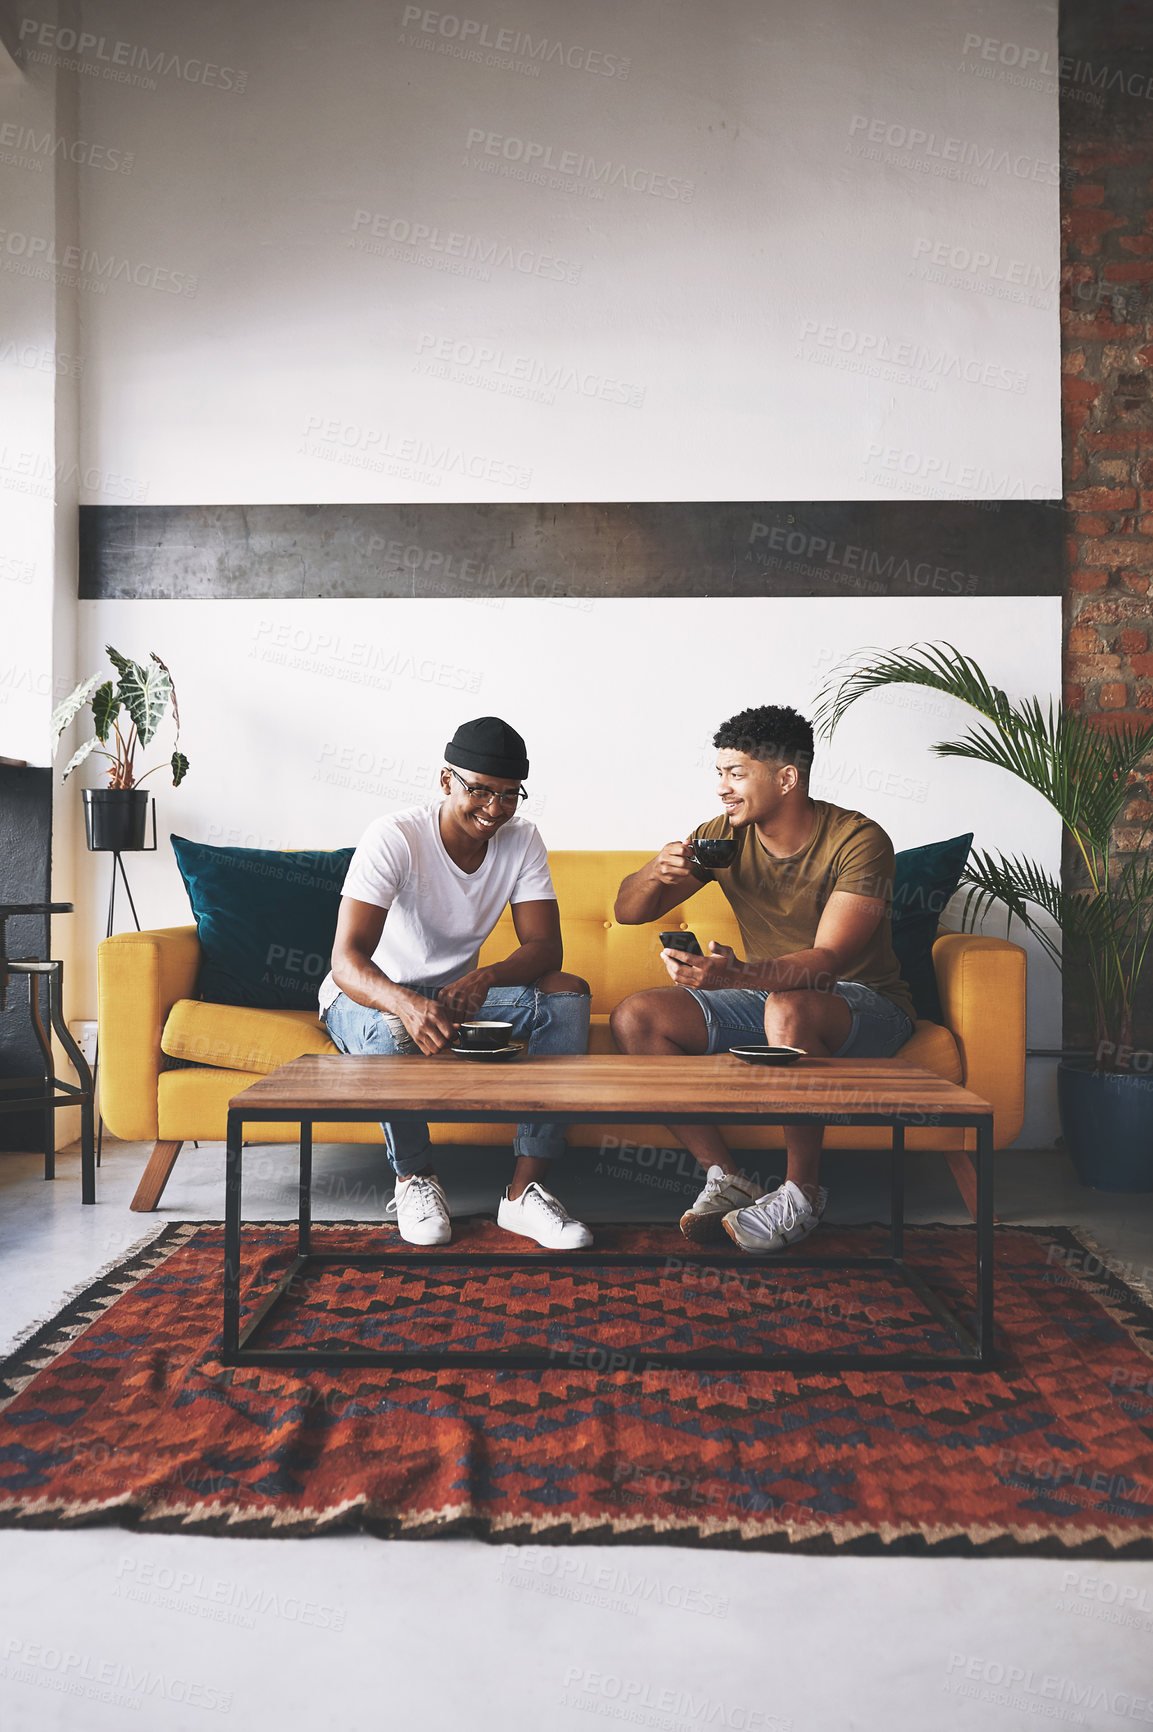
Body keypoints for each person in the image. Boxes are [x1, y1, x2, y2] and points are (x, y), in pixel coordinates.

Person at [610, 704, 915, 1254]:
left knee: (789, 1007)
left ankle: (801, 1193)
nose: (722, 789)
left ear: (786, 778)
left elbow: (830, 960)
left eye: (736, 773)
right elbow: (629, 912)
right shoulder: (723, 836)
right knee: (637, 1017)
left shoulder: (859, 840)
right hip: (770, 997)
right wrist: (655, 872)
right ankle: (728, 1178)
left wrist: (738, 976)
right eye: (719, 773)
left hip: (864, 1004)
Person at [319, 716, 593, 1250]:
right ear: (446, 781)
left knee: (567, 992)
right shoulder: (395, 836)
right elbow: (346, 962)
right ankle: (414, 1179)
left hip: (450, 997)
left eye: (510, 795)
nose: (495, 809)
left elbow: (544, 949)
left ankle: (523, 1193)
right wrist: (404, 1004)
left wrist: (486, 976)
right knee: (391, 1030)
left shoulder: (522, 839)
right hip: (369, 996)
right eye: (481, 791)